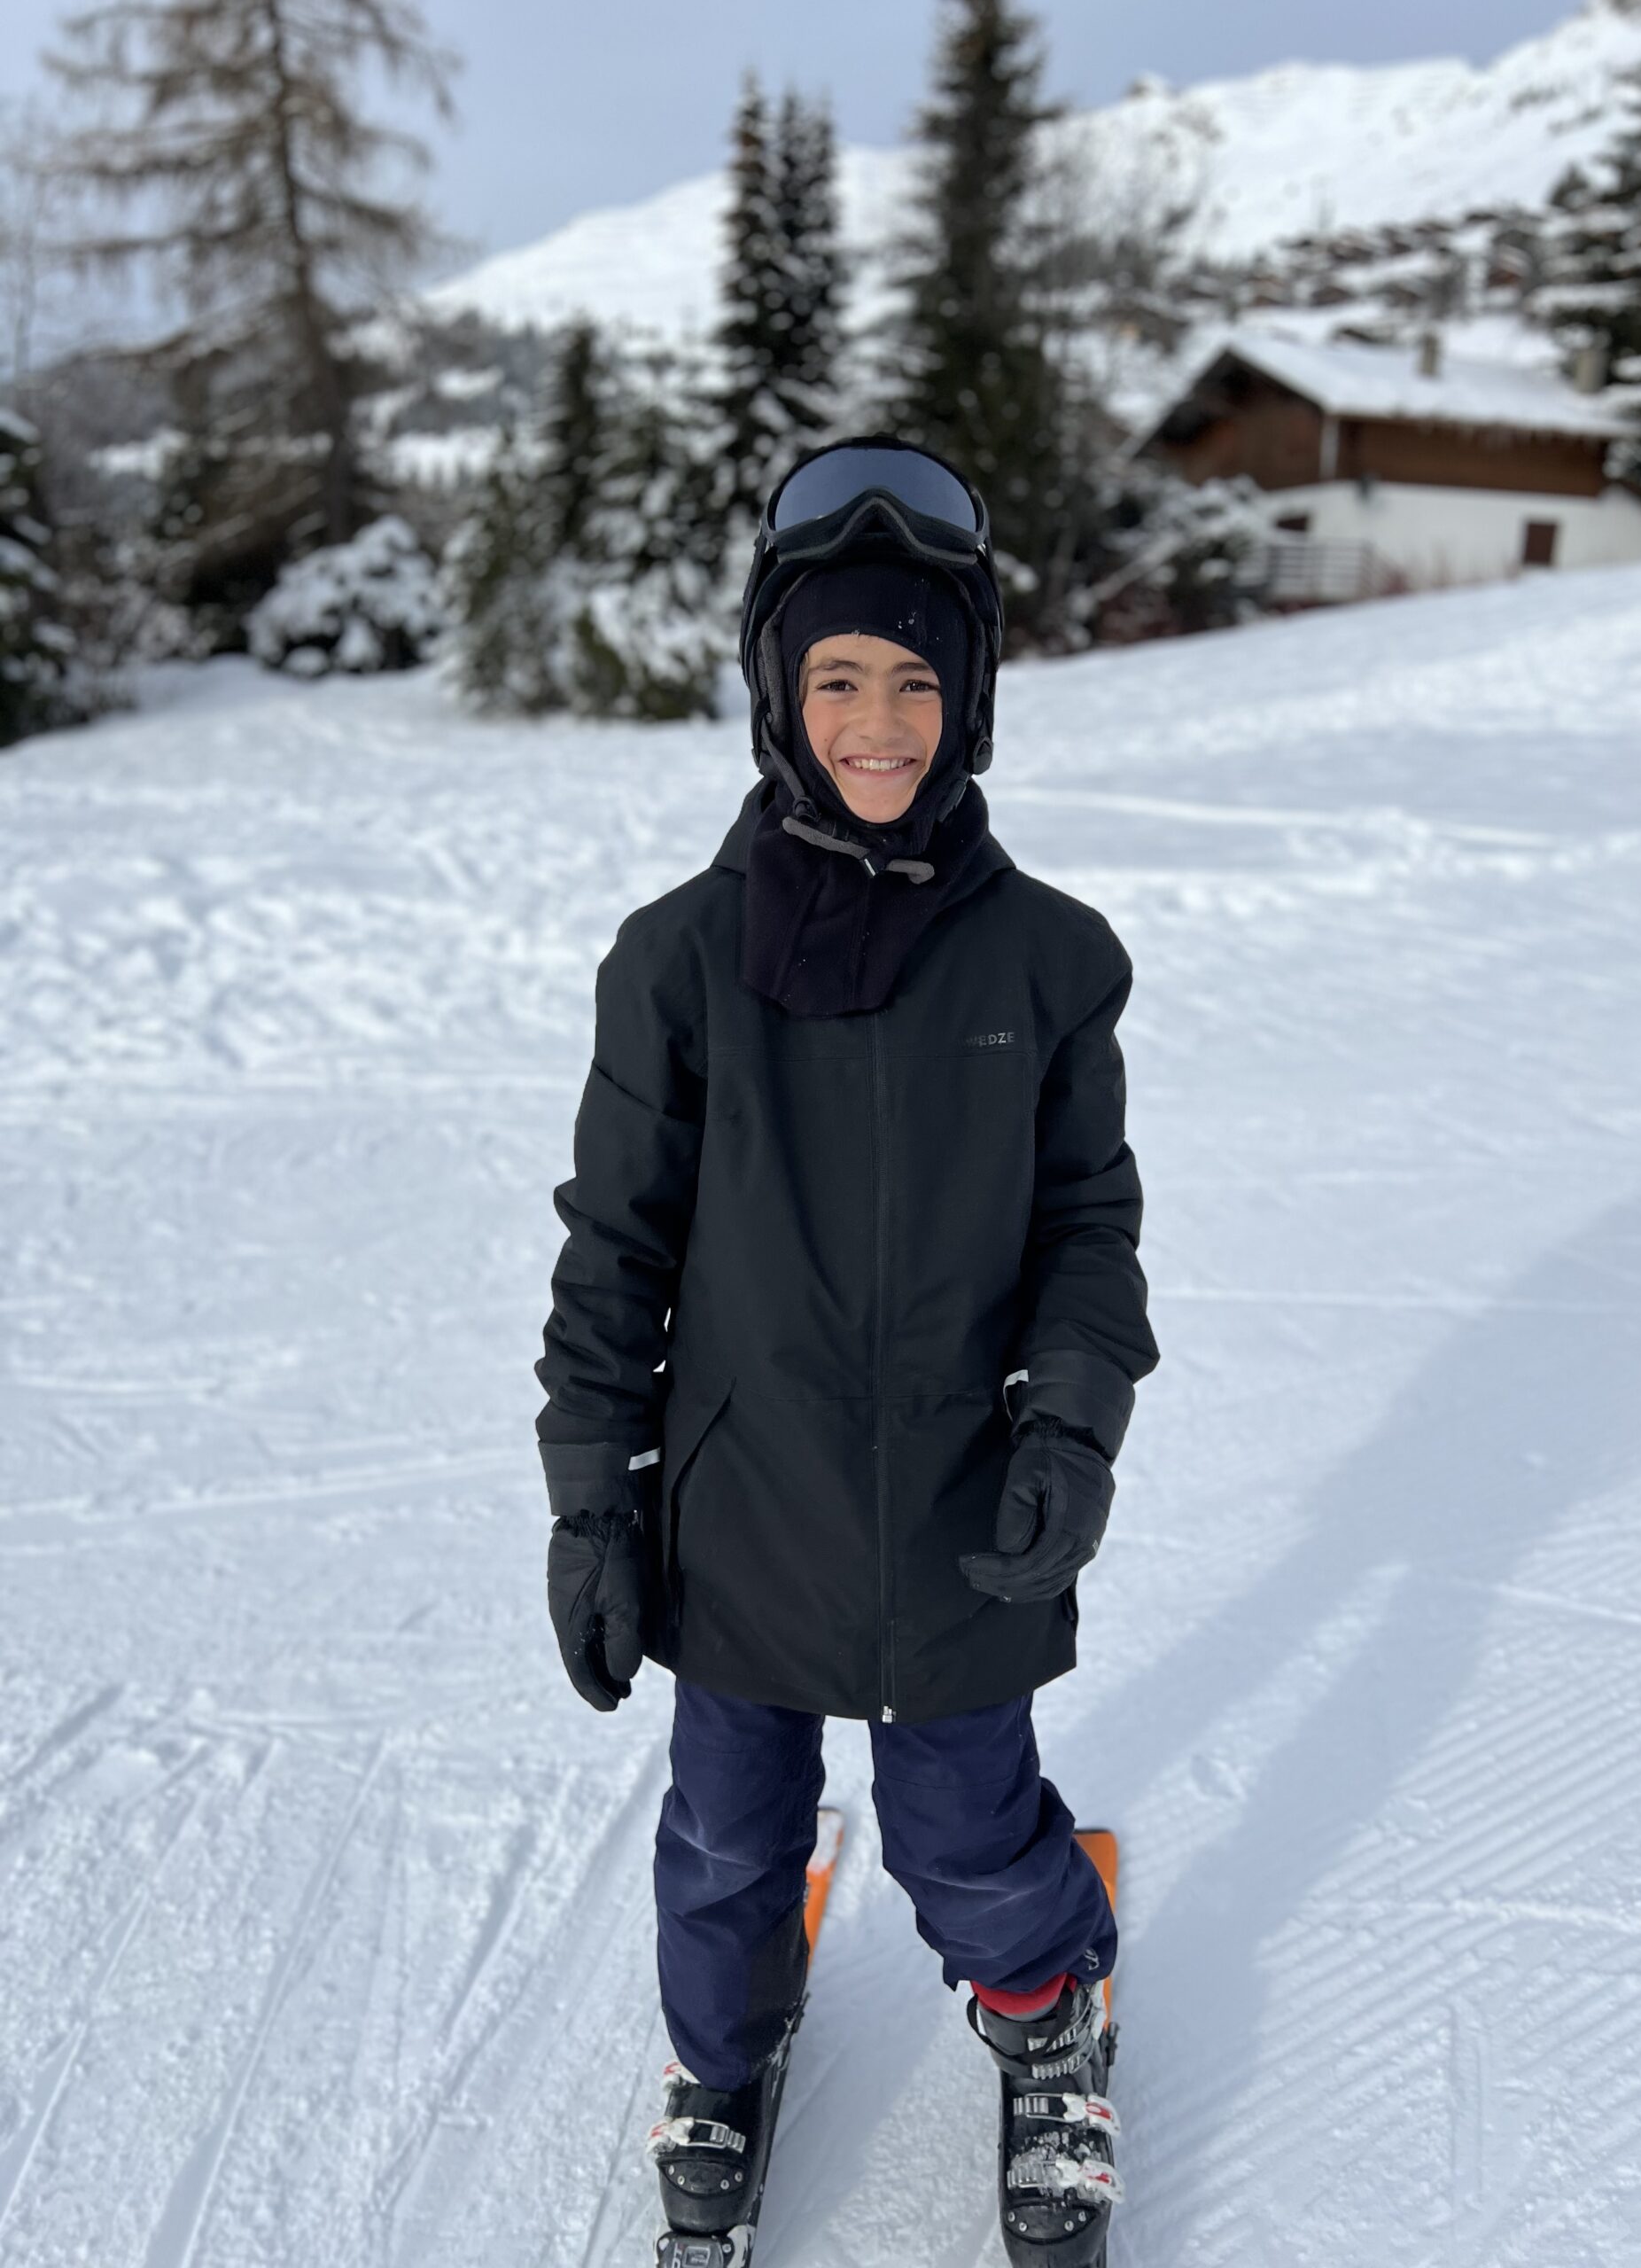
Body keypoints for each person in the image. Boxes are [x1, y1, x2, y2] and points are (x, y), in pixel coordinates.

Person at [535, 435, 1159, 2267]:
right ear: (773, 695)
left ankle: (1047, 2008)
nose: (877, 720)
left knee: (965, 1833)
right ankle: (718, 2058)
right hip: (743, 1512)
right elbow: (615, 1248)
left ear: (969, 701)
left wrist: (1077, 1427)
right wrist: (594, 1502)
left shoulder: (1052, 964)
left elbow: (1089, 1233)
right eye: (836, 679)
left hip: (965, 1511)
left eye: (916, 678)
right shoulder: (678, 963)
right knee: (730, 1841)